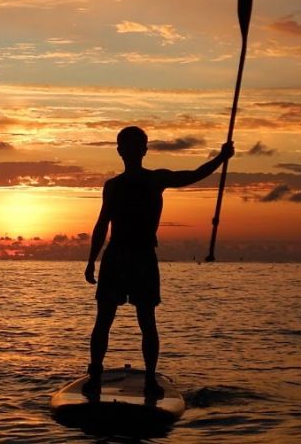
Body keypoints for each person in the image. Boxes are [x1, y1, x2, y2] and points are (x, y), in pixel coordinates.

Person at [83, 126, 234, 398]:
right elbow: (102, 223)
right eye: (127, 146)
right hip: (115, 256)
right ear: (120, 151)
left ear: (144, 150)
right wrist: (91, 261)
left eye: (137, 145)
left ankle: (150, 379)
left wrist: (220, 159)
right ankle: (94, 374)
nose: (132, 150)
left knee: (147, 319)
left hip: (143, 256)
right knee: (104, 319)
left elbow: (193, 175)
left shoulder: (156, 179)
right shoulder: (113, 186)